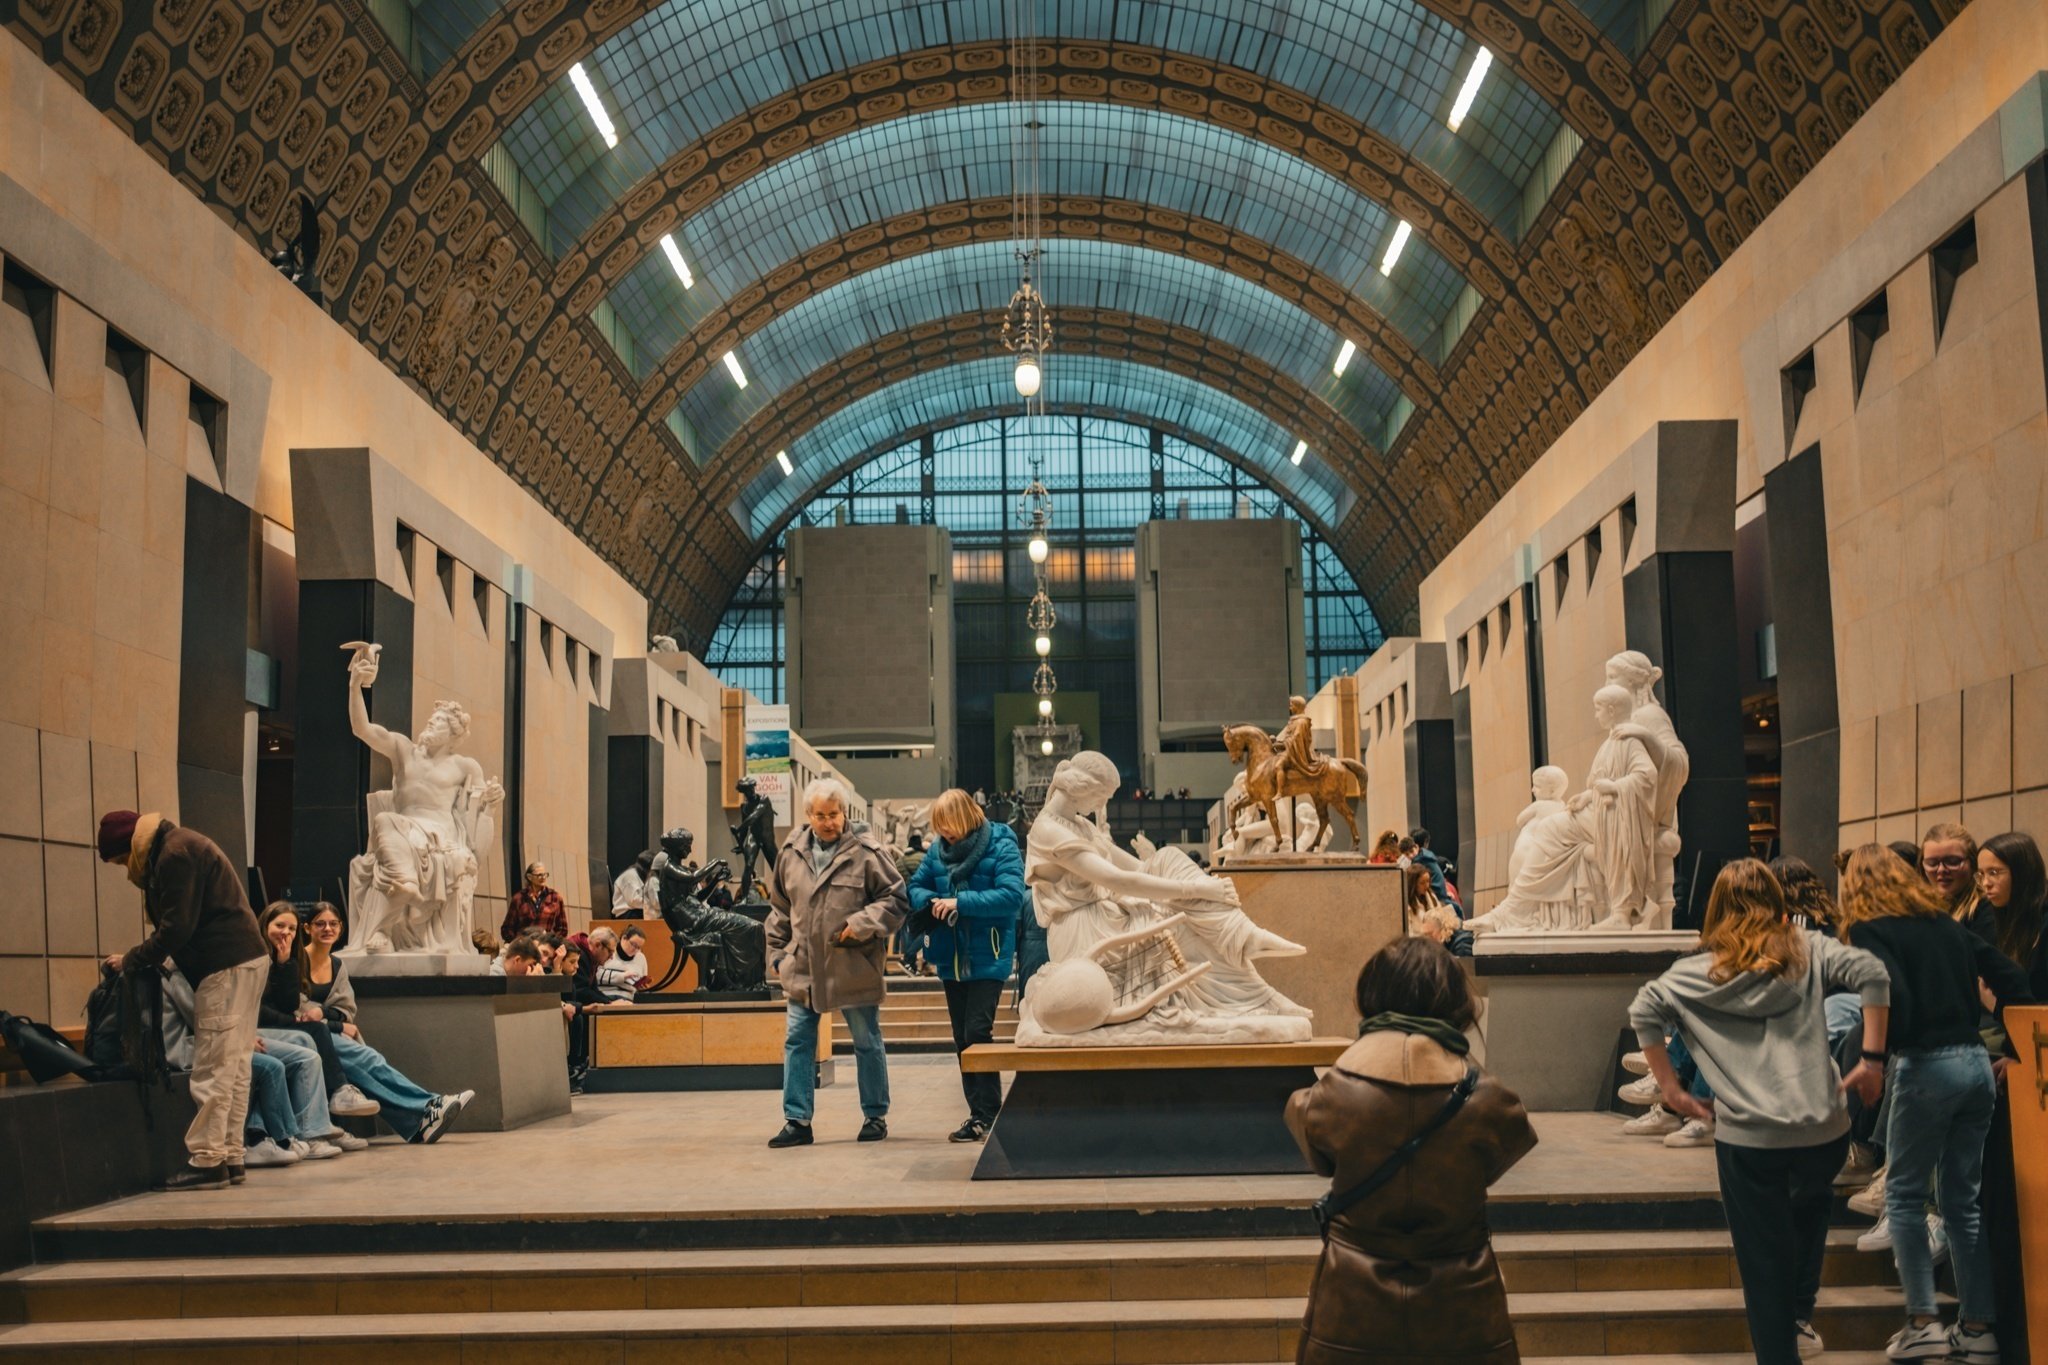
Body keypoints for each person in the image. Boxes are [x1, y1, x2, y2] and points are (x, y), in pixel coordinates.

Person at [1630, 859, 1891, 1365]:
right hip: (1823, 1127)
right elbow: (1873, 973)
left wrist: (1672, 1090)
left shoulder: (1695, 971)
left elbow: (1644, 1009)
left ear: (1716, 908)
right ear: (1776, 901)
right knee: (1810, 1212)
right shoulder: (1808, 948)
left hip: (1750, 1136)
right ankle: (1799, 1317)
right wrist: (1873, 1060)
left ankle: (1780, 1350)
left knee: (1762, 1256)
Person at [1286, 937, 1536, 1363]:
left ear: (1372, 996)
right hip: (1463, 1310)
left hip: (1350, 1309)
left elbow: (1318, 1154)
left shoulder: (1328, 1098)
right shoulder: (1492, 1102)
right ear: (1455, 1002)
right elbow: (1500, 1155)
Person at [1837, 844, 2032, 1362]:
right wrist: (2020, 1049)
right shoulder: (1945, 924)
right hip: (1976, 1068)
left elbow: (1887, 990)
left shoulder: (1871, 928)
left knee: (1902, 1197)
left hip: (1926, 1066)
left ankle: (1923, 1322)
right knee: (1961, 1204)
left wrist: (1875, 1059)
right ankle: (1978, 1329)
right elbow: (2014, 978)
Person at [97, 810, 270, 1191]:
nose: (126, 870)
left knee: (213, 1064)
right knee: (235, 1064)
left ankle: (207, 1160)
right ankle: (230, 1155)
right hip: (245, 959)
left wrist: (132, 959)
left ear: (131, 846)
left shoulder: (173, 854)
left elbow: (177, 927)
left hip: (223, 964)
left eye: (122, 860)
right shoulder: (182, 844)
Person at [764, 777, 907, 1148]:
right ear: (808, 815)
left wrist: (861, 924)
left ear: (844, 813)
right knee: (797, 1041)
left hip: (853, 965)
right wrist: (777, 955)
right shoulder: (790, 853)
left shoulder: (867, 852)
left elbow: (895, 900)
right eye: (821, 815)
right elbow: (779, 909)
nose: (828, 822)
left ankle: (875, 1115)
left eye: (834, 814)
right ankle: (797, 1121)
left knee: (866, 1040)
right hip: (803, 968)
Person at [294, 903, 476, 1143]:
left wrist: (327, 1015)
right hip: (305, 1034)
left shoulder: (337, 966)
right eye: (320, 924)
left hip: (327, 1033)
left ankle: (421, 1122)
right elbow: (302, 1013)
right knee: (366, 1059)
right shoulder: (296, 963)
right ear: (307, 928)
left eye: (333, 924)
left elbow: (345, 1009)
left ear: (341, 928)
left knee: (364, 1063)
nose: (327, 929)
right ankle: (427, 1107)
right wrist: (336, 1024)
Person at [906, 788, 1025, 1143]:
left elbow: (1012, 896)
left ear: (964, 817)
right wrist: (933, 901)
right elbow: (915, 886)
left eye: (949, 824)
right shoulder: (937, 851)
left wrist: (960, 902)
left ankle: (988, 1114)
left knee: (976, 1032)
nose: (944, 832)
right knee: (962, 1038)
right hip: (950, 956)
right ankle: (978, 1114)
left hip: (988, 955)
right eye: (939, 826)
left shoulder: (1000, 842)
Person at [1970, 832, 2045, 1365]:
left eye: (1994, 872)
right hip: (2013, 1075)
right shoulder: (1995, 925)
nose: (1985, 883)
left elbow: (2034, 1006)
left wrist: (1994, 1005)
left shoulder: (2041, 925)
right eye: (1982, 873)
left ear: (2023, 872)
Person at [1920, 822, 1980, 921]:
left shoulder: (1986, 908)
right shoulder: (1920, 909)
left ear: (1973, 863)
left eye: (1952, 862)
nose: (1941, 870)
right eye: (1932, 863)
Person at [502, 862, 568, 940]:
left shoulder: (555, 898)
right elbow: (507, 928)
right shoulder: (519, 898)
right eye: (539, 875)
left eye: (545, 874)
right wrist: (518, 942)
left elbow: (562, 929)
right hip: (524, 944)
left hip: (546, 943)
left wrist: (551, 942)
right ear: (529, 877)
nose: (543, 877)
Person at [597, 926, 651, 1000]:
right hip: (604, 994)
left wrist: (642, 988)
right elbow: (595, 976)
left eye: (639, 947)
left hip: (626, 997)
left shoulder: (641, 957)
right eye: (633, 944)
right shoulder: (608, 951)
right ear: (624, 938)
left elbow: (639, 985)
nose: (635, 950)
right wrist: (622, 976)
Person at [1409, 828, 1449, 902]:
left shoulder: (1420, 859)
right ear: (1426, 842)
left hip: (1437, 898)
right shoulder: (1428, 856)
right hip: (1441, 895)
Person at [612, 850, 654, 917]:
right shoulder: (630, 876)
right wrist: (654, 903)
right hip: (627, 913)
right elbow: (633, 901)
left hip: (637, 910)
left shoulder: (640, 876)